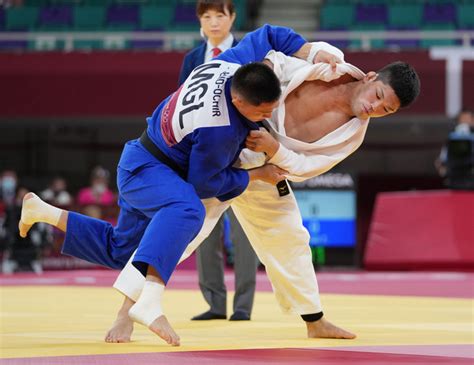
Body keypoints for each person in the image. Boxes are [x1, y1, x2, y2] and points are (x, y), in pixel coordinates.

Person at [19, 24, 322, 347]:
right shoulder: (220, 129)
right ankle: (150, 299)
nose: (266, 116)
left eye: (270, 109)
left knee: (122, 251)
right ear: (237, 99)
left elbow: (268, 34)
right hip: (148, 170)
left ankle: (44, 211)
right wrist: (257, 176)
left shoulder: (227, 64)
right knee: (188, 207)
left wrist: (311, 52)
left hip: (144, 160)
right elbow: (205, 184)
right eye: (261, 111)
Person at [108, 43, 420, 343]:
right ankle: (127, 311)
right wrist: (284, 63)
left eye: (386, 110)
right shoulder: (328, 63)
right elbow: (277, 57)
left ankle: (315, 320)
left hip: (267, 167)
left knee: (290, 239)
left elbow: (305, 167)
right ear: (370, 77)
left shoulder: (351, 136)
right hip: (226, 145)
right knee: (184, 228)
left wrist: (275, 150)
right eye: (378, 96)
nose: (374, 108)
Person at [179, 0, 259, 322]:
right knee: (204, 232)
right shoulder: (192, 60)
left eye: (219, 16)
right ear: (200, 20)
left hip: (241, 152)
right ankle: (214, 303)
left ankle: (243, 306)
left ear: (232, 18)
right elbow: (184, 105)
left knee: (243, 233)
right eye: (207, 17)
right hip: (205, 155)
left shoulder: (247, 54)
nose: (214, 23)